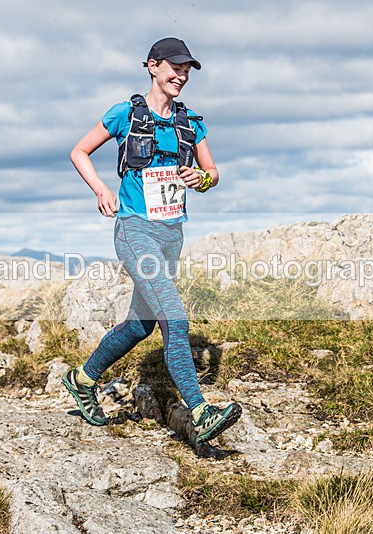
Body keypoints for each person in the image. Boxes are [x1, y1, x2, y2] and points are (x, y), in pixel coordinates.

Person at [63, 37, 241, 443]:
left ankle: (82, 378)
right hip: (134, 230)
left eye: (187, 70)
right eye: (175, 68)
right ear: (152, 66)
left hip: (171, 235)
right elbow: (79, 151)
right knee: (174, 318)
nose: (181, 76)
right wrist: (101, 191)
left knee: (141, 325)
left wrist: (203, 179)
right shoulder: (124, 113)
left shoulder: (191, 122)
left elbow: (213, 172)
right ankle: (200, 410)